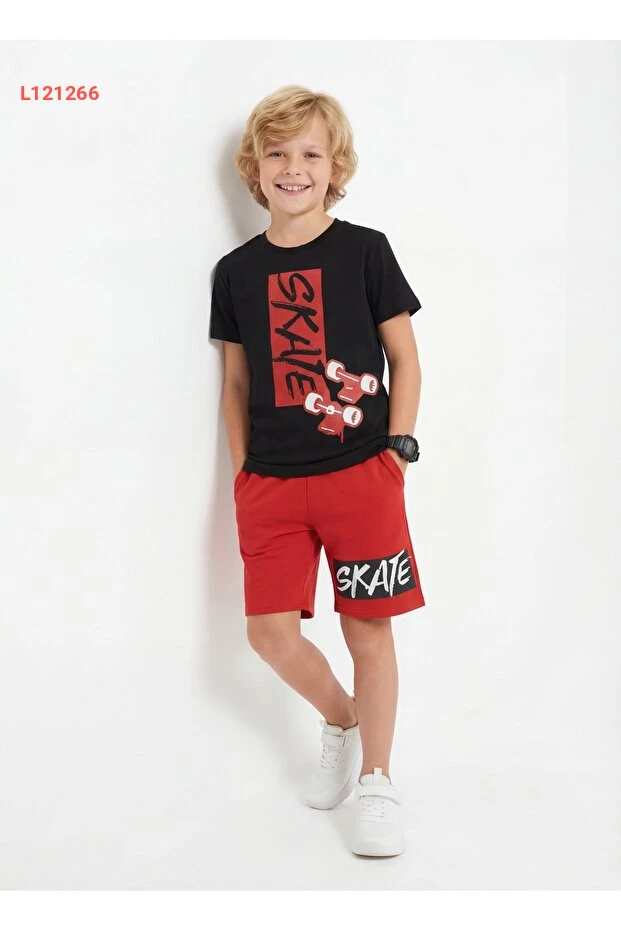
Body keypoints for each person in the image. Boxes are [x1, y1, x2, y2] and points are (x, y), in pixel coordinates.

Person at [209, 85, 425, 858]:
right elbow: (235, 383)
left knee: (367, 626)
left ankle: (377, 778)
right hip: (269, 484)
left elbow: (403, 358)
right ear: (254, 166)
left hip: (361, 473)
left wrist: (397, 447)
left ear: (334, 168)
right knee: (268, 634)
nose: (292, 168)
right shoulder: (234, 271)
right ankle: (342, 716)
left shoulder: (364, 250)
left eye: (309, 153)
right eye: (276, 153)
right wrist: (243, 472)